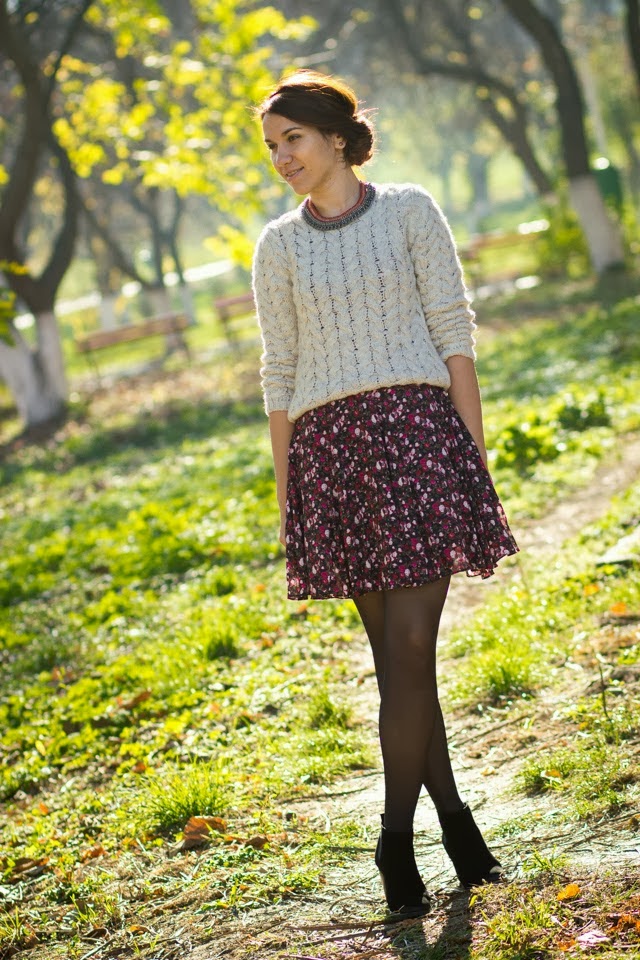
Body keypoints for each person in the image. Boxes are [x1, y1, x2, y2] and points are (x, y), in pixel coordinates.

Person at [251, 71, 519, 917]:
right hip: (333, 462)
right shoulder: (277, 248)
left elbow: (453, 331)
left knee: (409, 650)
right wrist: (289, 494)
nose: (282, 158)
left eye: (293, 138)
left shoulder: (409, 210)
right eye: (272, 147)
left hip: (418, 444)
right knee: (399, 666)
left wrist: (472, 455)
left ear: (337, 136)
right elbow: (279, 374)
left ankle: (393, 840)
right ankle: (459, 826)